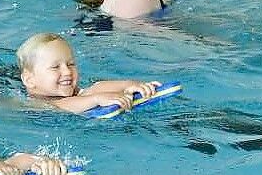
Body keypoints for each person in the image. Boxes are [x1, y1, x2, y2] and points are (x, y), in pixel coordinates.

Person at [17, 32, 160, 114]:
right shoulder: (30, 104)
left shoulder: (72, 92)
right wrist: (97, 100)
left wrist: (128, 86)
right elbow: (59, 106)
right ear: (30, 80)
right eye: (55, 67)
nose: (67, 71)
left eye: (71, 64)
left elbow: (93, 89)